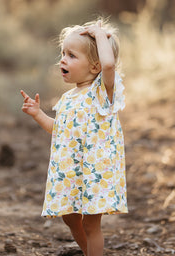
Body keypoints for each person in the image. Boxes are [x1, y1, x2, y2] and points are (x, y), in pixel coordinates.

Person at [21, 19, 128, 256]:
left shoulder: (101, 92)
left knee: (91, 224)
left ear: (95, 66)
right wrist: (38, 114)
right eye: (62, 53)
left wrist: (100, 35)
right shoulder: (69, 98)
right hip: (70, 170)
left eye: (71, 55)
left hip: (94, 171)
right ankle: (89, 252)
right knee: (69, 217)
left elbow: (110, 65)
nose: (62, 59)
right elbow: (59, 130)